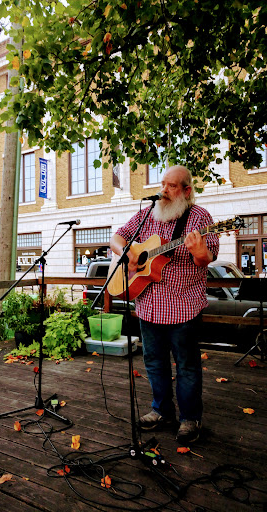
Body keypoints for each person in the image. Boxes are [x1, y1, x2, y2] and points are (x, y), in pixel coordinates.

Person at [110, 165, 219, 443]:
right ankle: (162, 410)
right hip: (148, 306)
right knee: (154, 362)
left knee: (186, 365)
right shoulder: (148, 213)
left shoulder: (200, 217)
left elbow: (207, 259)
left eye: (171, 186)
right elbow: (118, 237)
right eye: (163, 184)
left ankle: (190, 419)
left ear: (186, 190)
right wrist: (127, 255)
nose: (164, 191)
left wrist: (200, 252)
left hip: (183, 307)